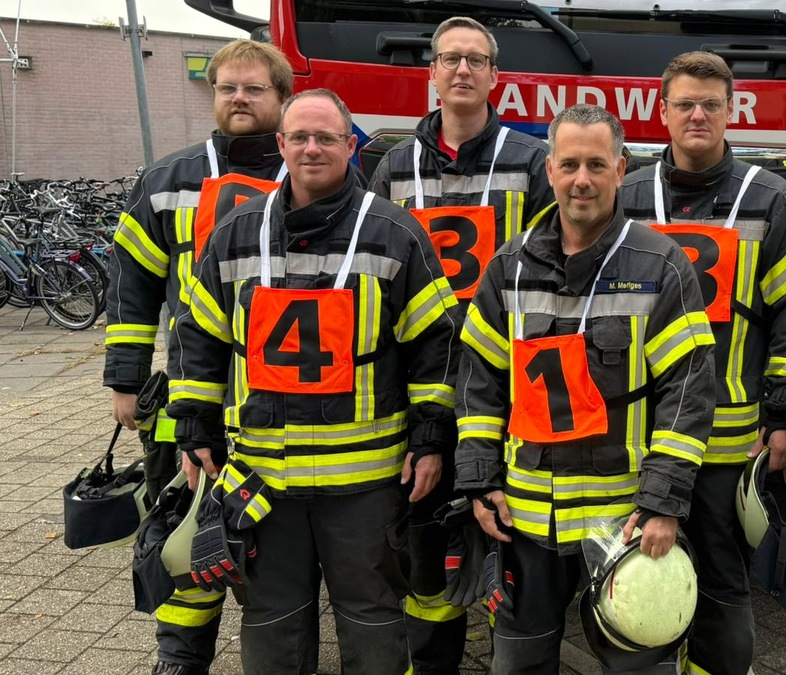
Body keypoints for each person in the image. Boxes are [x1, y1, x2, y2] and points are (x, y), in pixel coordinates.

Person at [166, 88, 460, 675]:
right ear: (280, 145)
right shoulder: (237, 232)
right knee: (271, 619)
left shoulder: (395, 231)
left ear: (351, 147)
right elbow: (197, 332)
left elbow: (439, 342)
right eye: (299, 136)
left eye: (327, 137)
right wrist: (194, 421)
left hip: (366, 482)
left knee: (373, 618)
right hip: (262, 478)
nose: (311, 148)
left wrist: (431, 437)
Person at [454, 103, 716, 674]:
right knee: (518, 662)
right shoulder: (508, 268)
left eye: (596, 165)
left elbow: (688, 389)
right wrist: (479, 480)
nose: (582, 180)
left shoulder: (660, 264)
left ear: (622, 170)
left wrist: (662, 503)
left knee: (637, 664)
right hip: (526, 515)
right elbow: (479, 383)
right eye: (569, 164)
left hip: (626, 516)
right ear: (549, 170)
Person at [367, 17, 555, 673]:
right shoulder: (393, 165)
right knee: (424, 545)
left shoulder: (531, 162)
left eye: (476, 60)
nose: (463, 71)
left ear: (495, 76)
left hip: (504, 383)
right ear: (433, 73)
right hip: (417, 380)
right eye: (450, 58)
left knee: (506, 533)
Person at [620, 51, 786, 675]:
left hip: (730, 439)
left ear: (731, 112)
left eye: (710, 103)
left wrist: (785, 415)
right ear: (663, 111)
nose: (697, 114)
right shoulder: (624, 195)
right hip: (636, 435)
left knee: (723, 585)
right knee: (639, 578)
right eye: (685, 103)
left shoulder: (773, 198)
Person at [102, 38, 293, 675]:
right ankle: (179, 660)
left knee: (274, 540)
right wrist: (125, 381)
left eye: (254, 88)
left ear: (281, 97)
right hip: (190, 392)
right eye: (227, 88)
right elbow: (132, 287)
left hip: (285, 393)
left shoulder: (309, 170)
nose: (239, 98)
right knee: (185, 530)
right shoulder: (167, 181)